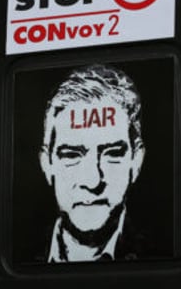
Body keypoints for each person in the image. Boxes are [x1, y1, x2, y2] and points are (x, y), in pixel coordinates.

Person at [39, 63, 147, 262]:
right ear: (47, 163)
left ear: (136, 160)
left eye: (112, 154)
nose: (92, 181)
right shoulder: (21, 253)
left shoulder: (156, 252)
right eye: (71, 156)